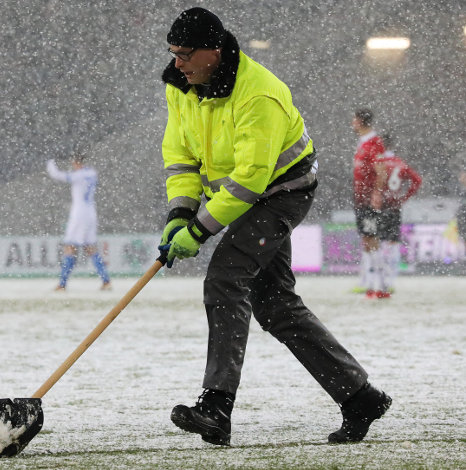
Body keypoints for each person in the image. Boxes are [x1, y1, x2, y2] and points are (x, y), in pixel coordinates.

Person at [158, 7, 391, 446]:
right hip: (238, 194)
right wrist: (179, 214)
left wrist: (199, 231)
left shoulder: (259, 94)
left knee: (225, 279)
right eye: (172, 53)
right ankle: (360, 396)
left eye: (185, 54)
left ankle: (216, 407)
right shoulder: (182, 86)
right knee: (275, 304)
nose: (177, 63)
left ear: (214, 50)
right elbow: (181, 157)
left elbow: (250, 180)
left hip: (282, 191)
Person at [46, 155, 111, 291]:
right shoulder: (92, 173)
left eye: (74, 163)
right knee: (90, 248)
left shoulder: (78, 175)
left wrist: (50, 162)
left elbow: (57, 175)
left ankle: (62, 284)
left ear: (77, 162)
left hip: (79, 214)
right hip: (91, 213)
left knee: (70, 248)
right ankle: (106, 281)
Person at [376, 133, 422, 293]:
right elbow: (417, 180)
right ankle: (391, 279)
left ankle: (381, 280)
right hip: (395, 206)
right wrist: (404, 197)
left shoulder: (379, 163)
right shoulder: (399, 163)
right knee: (393, 242)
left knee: (380, 242)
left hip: (381, 205)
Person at [351, 108, 388, 298]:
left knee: (372, 239)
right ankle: (372, 284)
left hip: (368, 200)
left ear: (360, 121)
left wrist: (375, 194)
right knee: (367, 240)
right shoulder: (363, 142)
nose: (352, 122)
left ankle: (380, 286)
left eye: (354, 119)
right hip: (360, 199)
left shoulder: (374, 142)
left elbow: (381, 171)